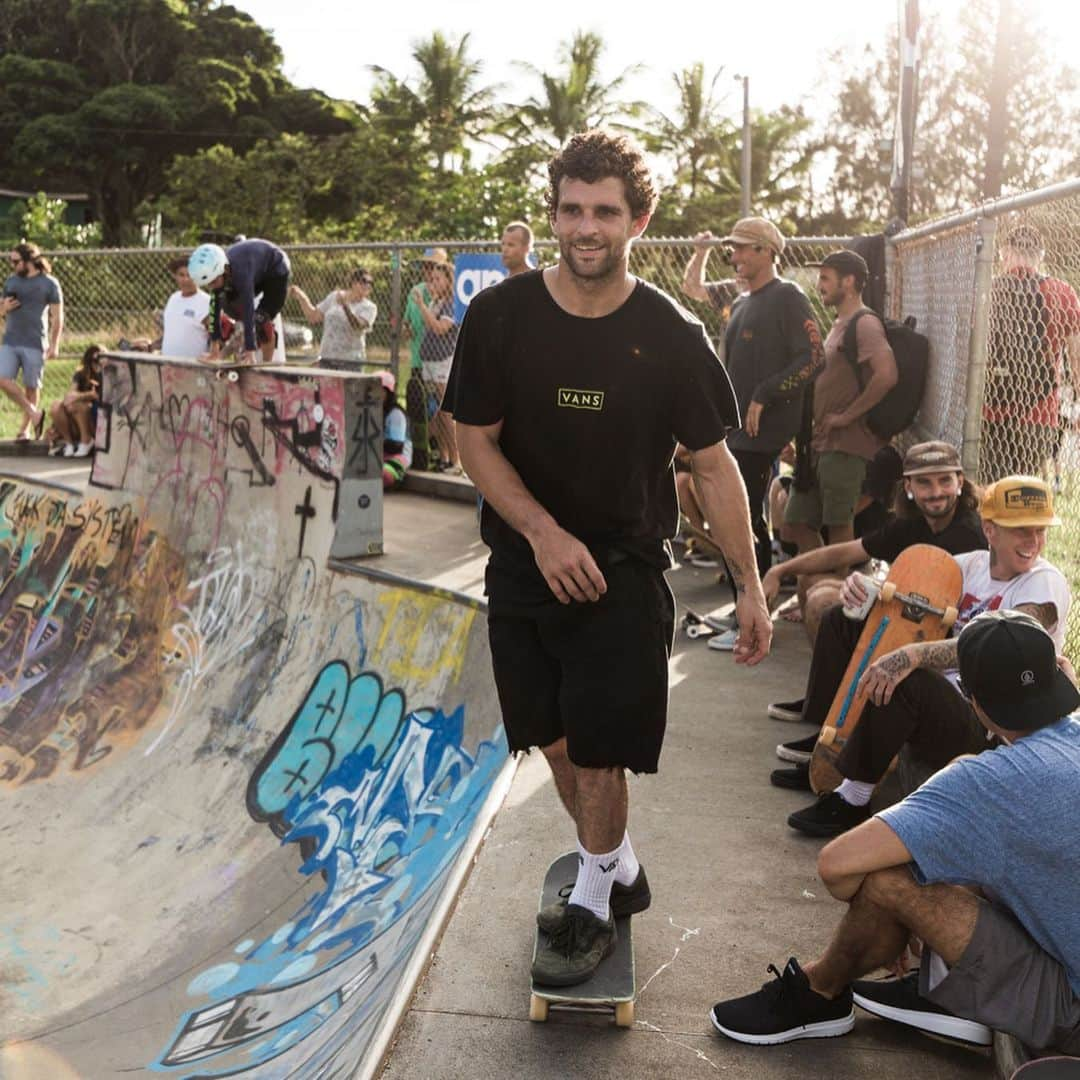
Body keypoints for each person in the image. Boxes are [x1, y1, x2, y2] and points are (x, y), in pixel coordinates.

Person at [446, 129, 772, 987]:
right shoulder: (501, 316)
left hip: (622, 569)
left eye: (604, 212)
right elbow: (470, 438)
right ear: (554, 211)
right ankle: (618, 867)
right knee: (553, 742)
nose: (585, 227)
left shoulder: (669, 331)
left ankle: (592, 897)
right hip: (523, 566)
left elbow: (712, 462)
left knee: (599, 752)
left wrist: (750, 586)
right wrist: (542, 533)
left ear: (639, 219)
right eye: (571, 209)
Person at [710, 609, 1080, 1057]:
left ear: (974, 701)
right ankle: (942, 983)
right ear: (1061, 677)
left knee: (888, 878)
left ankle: (819, 991)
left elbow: (837, 867)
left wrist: (907, 913)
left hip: (1069, 1011)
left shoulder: (988, 782)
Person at [785, 474, 1070, 835]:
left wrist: (913, 655)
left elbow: (1001, 647)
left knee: (909, 677)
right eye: (1021, 530)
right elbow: (908, 593)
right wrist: (866, 589)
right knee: (844, 621)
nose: (1033, 542)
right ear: (990, 529)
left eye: (1040, 530)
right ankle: (824, 753)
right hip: (947, 696)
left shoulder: (1044, 582)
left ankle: (852, 799)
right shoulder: (969, 566)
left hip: (992, 722)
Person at [766, 440, 985, 739]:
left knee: (826, 601)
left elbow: (929, 606)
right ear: (908, 487)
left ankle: (846, 721)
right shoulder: (913, 522)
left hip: (938, 637)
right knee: (813, 584)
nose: (936, 492)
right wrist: (780, 570)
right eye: (924, 482)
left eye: (944, 480)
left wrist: (870, 588)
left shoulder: (968, 534)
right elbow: (847, 552)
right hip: (908, 611)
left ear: (960, 482)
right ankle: (825, 706)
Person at [702, 217, 823, 652]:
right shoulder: (743, 300)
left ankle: (753, 621)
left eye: (742, 248)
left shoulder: (788, 297)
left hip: (760, 434)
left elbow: (813, 357)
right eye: (732, 249)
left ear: (767, 251)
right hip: (735, 432)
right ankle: (743, 607)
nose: (733, 256)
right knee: (737, 519)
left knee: (748, 521)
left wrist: (763, 396)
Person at [783, 251, 897, 553]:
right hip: (820, 443)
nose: (819, 285)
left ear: (848, 281)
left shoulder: (865, 323)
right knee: (794, 525)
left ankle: (835, 596)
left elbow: (886, 375)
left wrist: (847, 416)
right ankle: (818, 587)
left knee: (838, 526)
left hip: (846, 445)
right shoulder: (839, 322)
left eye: (825, 278)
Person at [982, 224, 1080, 480]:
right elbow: (1076, 358)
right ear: (1042, 255)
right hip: (1039, 410)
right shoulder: (1063, 293)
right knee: (1024, 494)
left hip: (990, 407)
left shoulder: (986, 290)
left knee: (990, 491)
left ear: (1004, 252)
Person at [188, 238, 291, 367]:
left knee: (260, 319)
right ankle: (245, 344)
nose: (212, 286)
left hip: (276, 269)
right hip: (257, 271)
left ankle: (267, 364)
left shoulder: (241, 273)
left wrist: (250, 351)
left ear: (223, 270)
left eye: (213, 282)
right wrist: (214, 351)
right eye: (208, 284)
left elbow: (249, 309)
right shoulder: (219, 275)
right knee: (225, 303)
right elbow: (214, 310)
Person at [0, 242, 63, 440]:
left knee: (31, 387)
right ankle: (35, 413)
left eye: (16, 261)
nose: (13, 265)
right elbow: (1, 309)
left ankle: (25, 429)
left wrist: (54, 345)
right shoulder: (11, 282)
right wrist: (4, 309)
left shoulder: (49, 283)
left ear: (29, 261)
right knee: (2, 378)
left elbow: (57, 317)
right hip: (11, 340)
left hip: (35, 342)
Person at [414, 250, 459, 473]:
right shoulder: (436, 302)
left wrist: (422, 306)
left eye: (438, 279)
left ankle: (456, 460)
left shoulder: (452, 304)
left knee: (446, 412)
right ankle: (443, 456)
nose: (433, 283)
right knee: (438, 413)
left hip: (443, 360)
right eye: (432, 279)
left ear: (449, 281)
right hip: (429, 360)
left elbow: (441, 328)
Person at [289, 267, 377, 367]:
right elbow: (313, 317)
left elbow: (357, 325)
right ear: (353, 282)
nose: (368, 285)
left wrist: (345, 306)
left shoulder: (369, 307)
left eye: (371, 283)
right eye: (364, 281)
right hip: (327, 358)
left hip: (351, 361)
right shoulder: (335, 296)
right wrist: (302, 297)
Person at [403, 256, 437, 470]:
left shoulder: (444, 295)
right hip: (417, 358)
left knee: (436, 409)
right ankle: (420, 452)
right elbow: (407, 319)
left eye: (431, 266)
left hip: (437, 361)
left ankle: (437, 450)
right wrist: (406, 328)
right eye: (424, 267)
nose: (426, 271)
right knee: (418, 408)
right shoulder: (415, 290)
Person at [48, 342, 102, 458]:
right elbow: (69, 396)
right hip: (76, 421)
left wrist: (82, 397)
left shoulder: (108, 374)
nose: (97, 365)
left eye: (99, 360)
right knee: (56, 406)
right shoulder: (81, 374)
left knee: (77, 405)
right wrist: (87, 395)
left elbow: (98, 397)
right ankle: (69, 444)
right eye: (93, 361)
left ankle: (86, 440)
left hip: (95, 423)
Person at [160, 257, 210, 358]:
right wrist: (150, 346)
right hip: (167, 365)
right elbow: (172, 335)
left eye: (190, 275)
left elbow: (218, 338)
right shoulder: (173, 299)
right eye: (181, 275)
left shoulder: (206, 302)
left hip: (193, 368)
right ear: (175, 276)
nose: (186, 279)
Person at [378, 370, 412, 490]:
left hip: (397, 456)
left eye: (380, 390)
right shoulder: (372, 410)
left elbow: (395, 446)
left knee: (383, 475)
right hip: (380, 454)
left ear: (388, 393)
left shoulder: (395, 414)